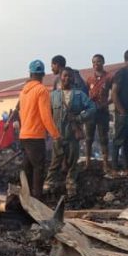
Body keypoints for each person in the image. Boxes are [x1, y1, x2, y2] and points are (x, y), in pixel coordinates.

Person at [45, 68, 96, 198]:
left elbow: (92, 108)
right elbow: (47, 114)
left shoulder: (79, 95)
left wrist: (79, 118)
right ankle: (49, 184)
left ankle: (71, 183)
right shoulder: (53, 96)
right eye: (65, 76)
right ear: (60, 78)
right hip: (58, 135)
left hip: (73, 135)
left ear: (73, 79)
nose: (67, 78)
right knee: (55, 162)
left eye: (70, 76)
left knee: (73, 161)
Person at [16, 60, 60, 199]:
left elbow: (21, 114)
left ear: (30, 73)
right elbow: (45, 116)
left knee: (28, 167)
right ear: (43, 74)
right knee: (38, 168)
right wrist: (55, 134)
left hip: (24, 135)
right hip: (35, 136)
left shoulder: (23, 92)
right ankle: (37, 199)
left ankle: (26, 196)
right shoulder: (41, 90)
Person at [83, 54, 114, 175]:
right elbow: (84, 95)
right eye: (94, 62)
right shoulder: (89, 78)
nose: (96, 64)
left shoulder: (109, 77)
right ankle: (87, 162)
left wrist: (106, 103)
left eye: (99, 61)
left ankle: (105, 164)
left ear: (103, 62)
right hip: (91, 113)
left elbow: (114, 94)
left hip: (103, 112)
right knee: (88, 138)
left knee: (103, 138)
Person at [111, 49, 128, 175]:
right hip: (123, 113)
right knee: (118, 141)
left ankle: (127, 168)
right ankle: (114, 169)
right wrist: (122, 112)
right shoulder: (121, 73)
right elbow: (114, 94)